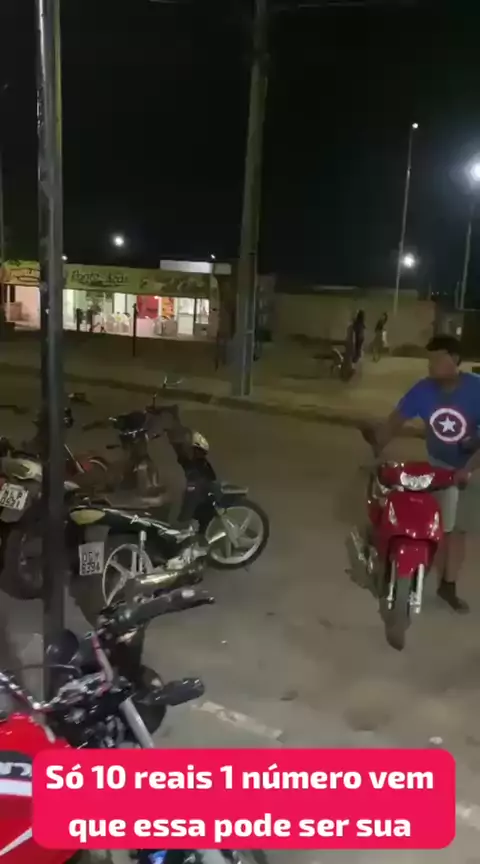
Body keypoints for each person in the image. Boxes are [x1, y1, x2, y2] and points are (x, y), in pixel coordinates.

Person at [364, 334, 480, 613]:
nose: (431, 366)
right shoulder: (423, 390)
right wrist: (377, 446)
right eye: (429, 360)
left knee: (457, 531)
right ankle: (407, 571)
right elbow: (396, 421)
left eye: (437, 359)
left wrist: (467, 469)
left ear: (454, 360)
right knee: (428, 523)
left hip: (470, 467)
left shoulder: (476, 389)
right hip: (436, 465)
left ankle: (448, 585)